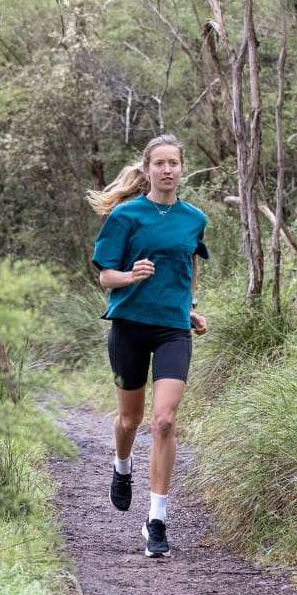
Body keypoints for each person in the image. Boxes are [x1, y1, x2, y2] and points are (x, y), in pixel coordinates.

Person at [87, 134, 209, 558]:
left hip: (172, 329)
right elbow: (105, 277)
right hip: (129, 325)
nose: (168, 170)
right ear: (148, 169)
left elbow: (189, 265)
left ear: (182, 167)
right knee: (130, 419)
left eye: (174, 162)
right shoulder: (126, 216)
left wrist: (189, 306)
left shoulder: (195, 218)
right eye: (160, 163)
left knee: (164, 422)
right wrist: (130, 276)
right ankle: (122, 467)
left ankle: (156, 520)